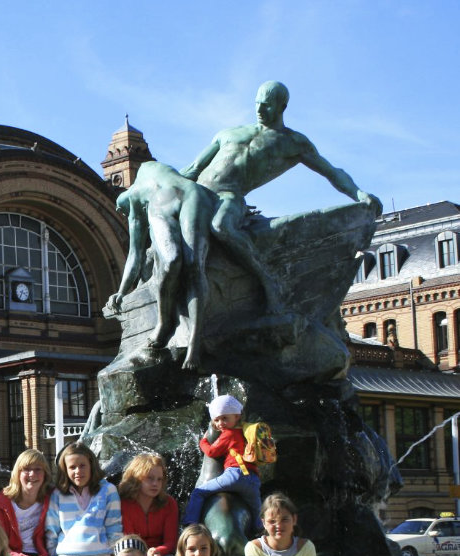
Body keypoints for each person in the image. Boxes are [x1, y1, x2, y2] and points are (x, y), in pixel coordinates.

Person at [181, 80, 382, 310]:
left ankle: (267, 279)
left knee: (221, 227)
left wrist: (358, 193)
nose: (259, 110)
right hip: (198, 193)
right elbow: (193, 169)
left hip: (229, 197)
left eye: (266, 105)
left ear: (282, 107)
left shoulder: (292, 143)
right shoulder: (228, 133)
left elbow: (332, 172)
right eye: (257, 103)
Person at [105, 161, 217, 369]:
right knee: (192, 265)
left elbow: (135, 255)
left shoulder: (133, 204)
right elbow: (194, 168)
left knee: (179, 262)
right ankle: (178, 332)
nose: (126, 216)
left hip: (168, 201)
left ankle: (183, 335)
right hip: (194, 192)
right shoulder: (149, 168)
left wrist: (121, 291)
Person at [183, 394, 261, 531]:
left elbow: (212, 452)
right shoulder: (245, 432)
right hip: (253, 479)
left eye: (225, 418)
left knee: (199, 492)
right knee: (256, 509)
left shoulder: (229, 434)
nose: (220, 423)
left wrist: (203, 442)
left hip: (235, 475)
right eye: (217, 420)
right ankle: (259, 531)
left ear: (237, 416)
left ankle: (190, 523)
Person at [118, 453, 178, 556]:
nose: (155, 484)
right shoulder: (123, 504)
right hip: (131, 555)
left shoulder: (169, 503)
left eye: (159, 479)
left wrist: (156, 552)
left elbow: (171, 542)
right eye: (150, 478)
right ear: (136, 478)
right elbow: (128, 540)